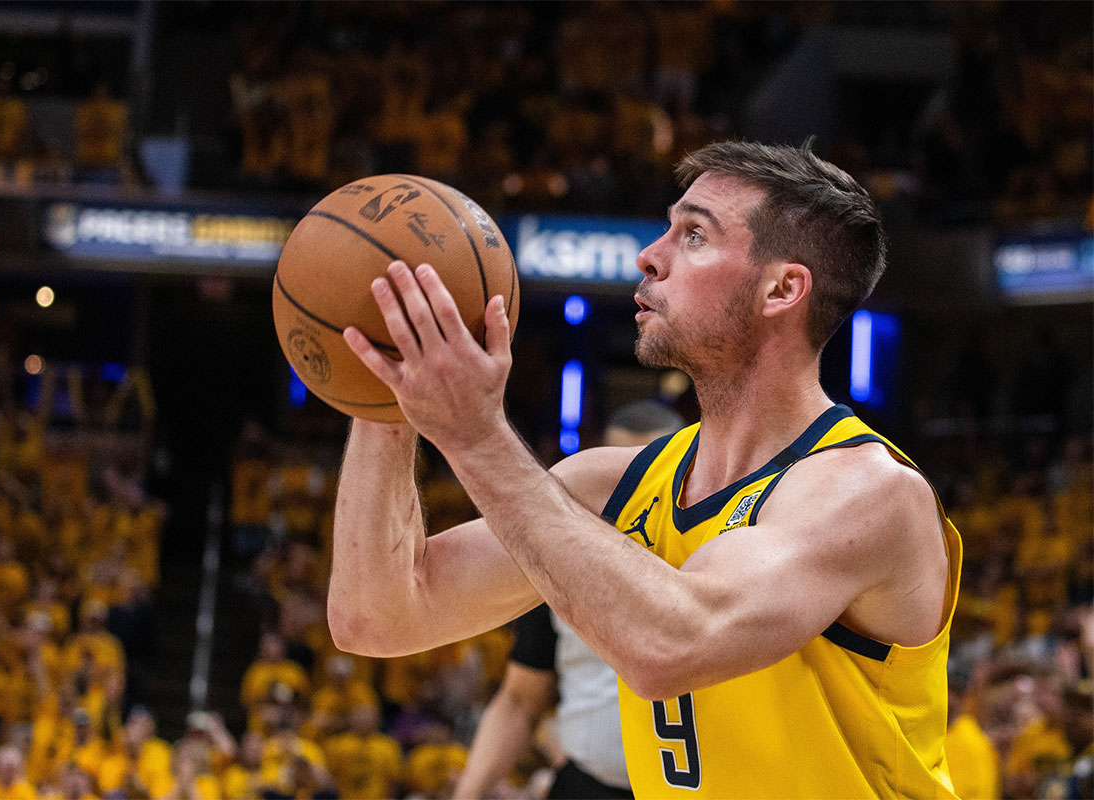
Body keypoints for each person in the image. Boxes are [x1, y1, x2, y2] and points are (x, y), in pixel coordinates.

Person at [328, 141, 961, 797]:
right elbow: (376, 616)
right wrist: (386, 383)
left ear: (782, 289)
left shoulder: (870, 494)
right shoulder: (616, 484)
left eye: (693, 234)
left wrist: (475, 436)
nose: (648, 256)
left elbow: (671, 647)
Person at [454, 402, 684, 800]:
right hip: (586, 783)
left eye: (655, 474)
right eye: (627, 477)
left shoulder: (721, 561)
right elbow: (519, 701)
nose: (641, 495)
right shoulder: (560, 567)